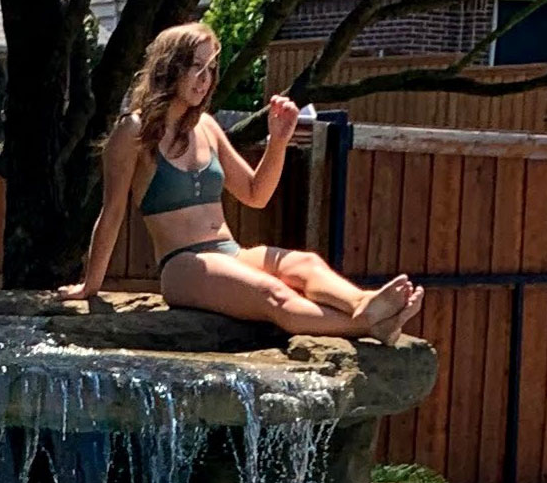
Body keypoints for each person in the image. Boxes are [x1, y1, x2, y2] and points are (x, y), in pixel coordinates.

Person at [57, 23, 424, 343]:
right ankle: (366, 325)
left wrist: (278, 140)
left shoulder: (207, 126)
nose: (205, 78)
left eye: (211, 69)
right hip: (182, 265)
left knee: (305, 263)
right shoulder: (133, 132)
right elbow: (112, 212)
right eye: (196, 67)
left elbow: (255, 194)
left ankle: (364, 304)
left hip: (230, 253)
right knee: (273, 293)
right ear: (170, 68)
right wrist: (91, 285)